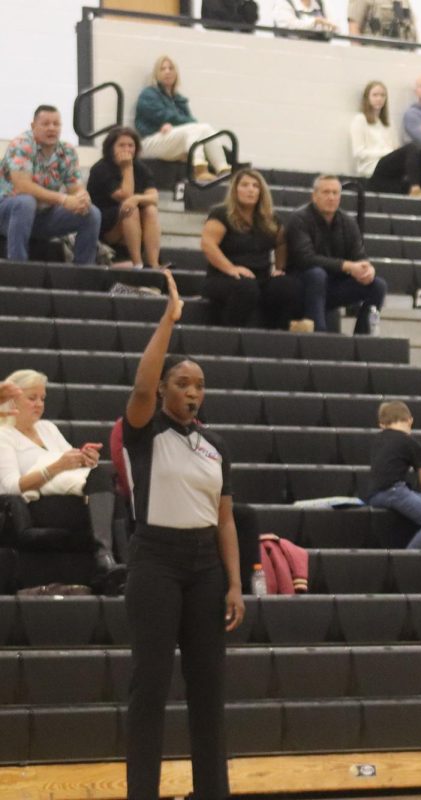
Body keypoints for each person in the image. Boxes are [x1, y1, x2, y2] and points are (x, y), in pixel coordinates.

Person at [121, 272, 244, 799]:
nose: (192, 392)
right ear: (167, 389)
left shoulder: (215, 445)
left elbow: (225, 518)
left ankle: (211, 792)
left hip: (205, 569)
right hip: (155, 561)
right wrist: (168, 320)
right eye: (183, 383)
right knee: (149, 689)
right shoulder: (145, 431)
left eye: (198, 386)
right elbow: (142, 383)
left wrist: (235, 583)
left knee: (208, 692)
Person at [0, 369, 125, 592]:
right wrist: (56, 467)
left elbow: (73, 465)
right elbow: (10, 487)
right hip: (35, 507)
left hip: (70, 499)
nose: (39, 404)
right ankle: (108, 560)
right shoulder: (4, 435)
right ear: (12, 400)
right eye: (32, 398)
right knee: (105, 496)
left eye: (42, 398)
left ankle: (108, 562)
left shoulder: (48, 428)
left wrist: (85, 458)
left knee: (102, 480)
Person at [284, 175, 388, 334]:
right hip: (301, 282)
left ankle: (363, 338)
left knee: (377, 286)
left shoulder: (348, 222)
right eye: (326, 192)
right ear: (314, 195)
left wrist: (367, 269)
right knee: (317, 274)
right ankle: (319, 334)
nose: (331, 197)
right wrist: (347, 266)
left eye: (335, 193)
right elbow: (305, 259)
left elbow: (358, 255)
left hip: (333, 284)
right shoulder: (299, 219)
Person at [0, 105, 100, 264]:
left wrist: (82, 198)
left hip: (42, 216)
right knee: (25, 202)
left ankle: (84, 272)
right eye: (45, 124)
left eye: (56, 124)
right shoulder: (21, 144)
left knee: (91, 213)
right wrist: (64, 199)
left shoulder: (67, 150)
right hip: (8, 213)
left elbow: (75, 187)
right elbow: (22, 187)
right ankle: (17, 268)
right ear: (33, 126)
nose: (51, 128)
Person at [200, 168, 295, 328]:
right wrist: (231, 269)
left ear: (261, 192)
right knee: (246, 287)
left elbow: (281, 243)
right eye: (244, 185)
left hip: (260, 277)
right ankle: (229, 333)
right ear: (235, 190)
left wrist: (279, 268)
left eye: (255, 186)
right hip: (222, 278)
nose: (250, 189)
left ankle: (275, 335)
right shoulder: (221, 214)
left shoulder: (271, 219)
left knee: (286, 286)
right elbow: (208, 244)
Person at [135, 56, 231, 183]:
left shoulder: (179, 99)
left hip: (171, 140)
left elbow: (187, 122)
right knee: (194, 129)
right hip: (149, 141)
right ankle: (199, 169)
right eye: (162, 69)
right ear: (156, 74)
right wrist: (162, 126)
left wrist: (173, 126)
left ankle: (223, 171)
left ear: (176, 73)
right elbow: (165, 116)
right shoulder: (148, 94)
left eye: (171, 68)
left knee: (205, 128)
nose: (167, 71)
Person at [364, 400, 421, 549]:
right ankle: (406, 561)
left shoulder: (377, 440)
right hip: (393, 491)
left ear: (382, 424)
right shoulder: (411, 443)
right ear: (410, 420)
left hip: (374, 494)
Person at [86, 127, 162, 270]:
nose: (127, 149)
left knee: (150, 209)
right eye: (121, 145)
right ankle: (137, 264)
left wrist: (137, 198)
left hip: (134, 222)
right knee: (130, 209)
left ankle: (153, 264)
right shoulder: (101, 168)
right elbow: (125, 196)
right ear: (111, 148)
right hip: (105, 224)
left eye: (131, 145)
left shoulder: (141, 168)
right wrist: (127, 167)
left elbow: (154, 198)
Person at [350, 81, 421, 197]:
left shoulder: (388, 122)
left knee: (420, 151)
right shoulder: (360, 119)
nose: (379, 98)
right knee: (411, 148)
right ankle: (415, 188)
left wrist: (392, 153)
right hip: (372, 167)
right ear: (367, 98)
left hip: (387, 165)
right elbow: (358, 152)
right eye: (375, 95)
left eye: (382, 95)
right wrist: (385, 153)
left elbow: (396, 148)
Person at [347, 0, 417, 42]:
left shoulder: (403, 1)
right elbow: (353, 29)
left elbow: (410, 31)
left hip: (401, 60)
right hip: (374, 58)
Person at [272, 0, 338, 33]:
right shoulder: (283, 2)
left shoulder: (320, 3)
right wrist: (315, 21)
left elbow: (336, 27)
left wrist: (331, 27)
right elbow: (289, 26)